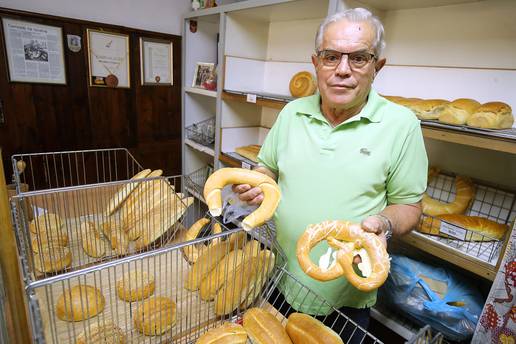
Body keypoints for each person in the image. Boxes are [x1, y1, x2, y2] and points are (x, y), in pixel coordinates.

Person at [232, 7, 428, 340]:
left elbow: (410, 207)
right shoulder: (292, 112)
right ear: (315, 63)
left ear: (377, 67)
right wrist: (256, 184)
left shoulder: (402, 125)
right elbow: (267, 168)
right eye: (331, 57)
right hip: (280, 276)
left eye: (359, 59)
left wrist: (385, 223)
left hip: (347, 298)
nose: (342, 71)